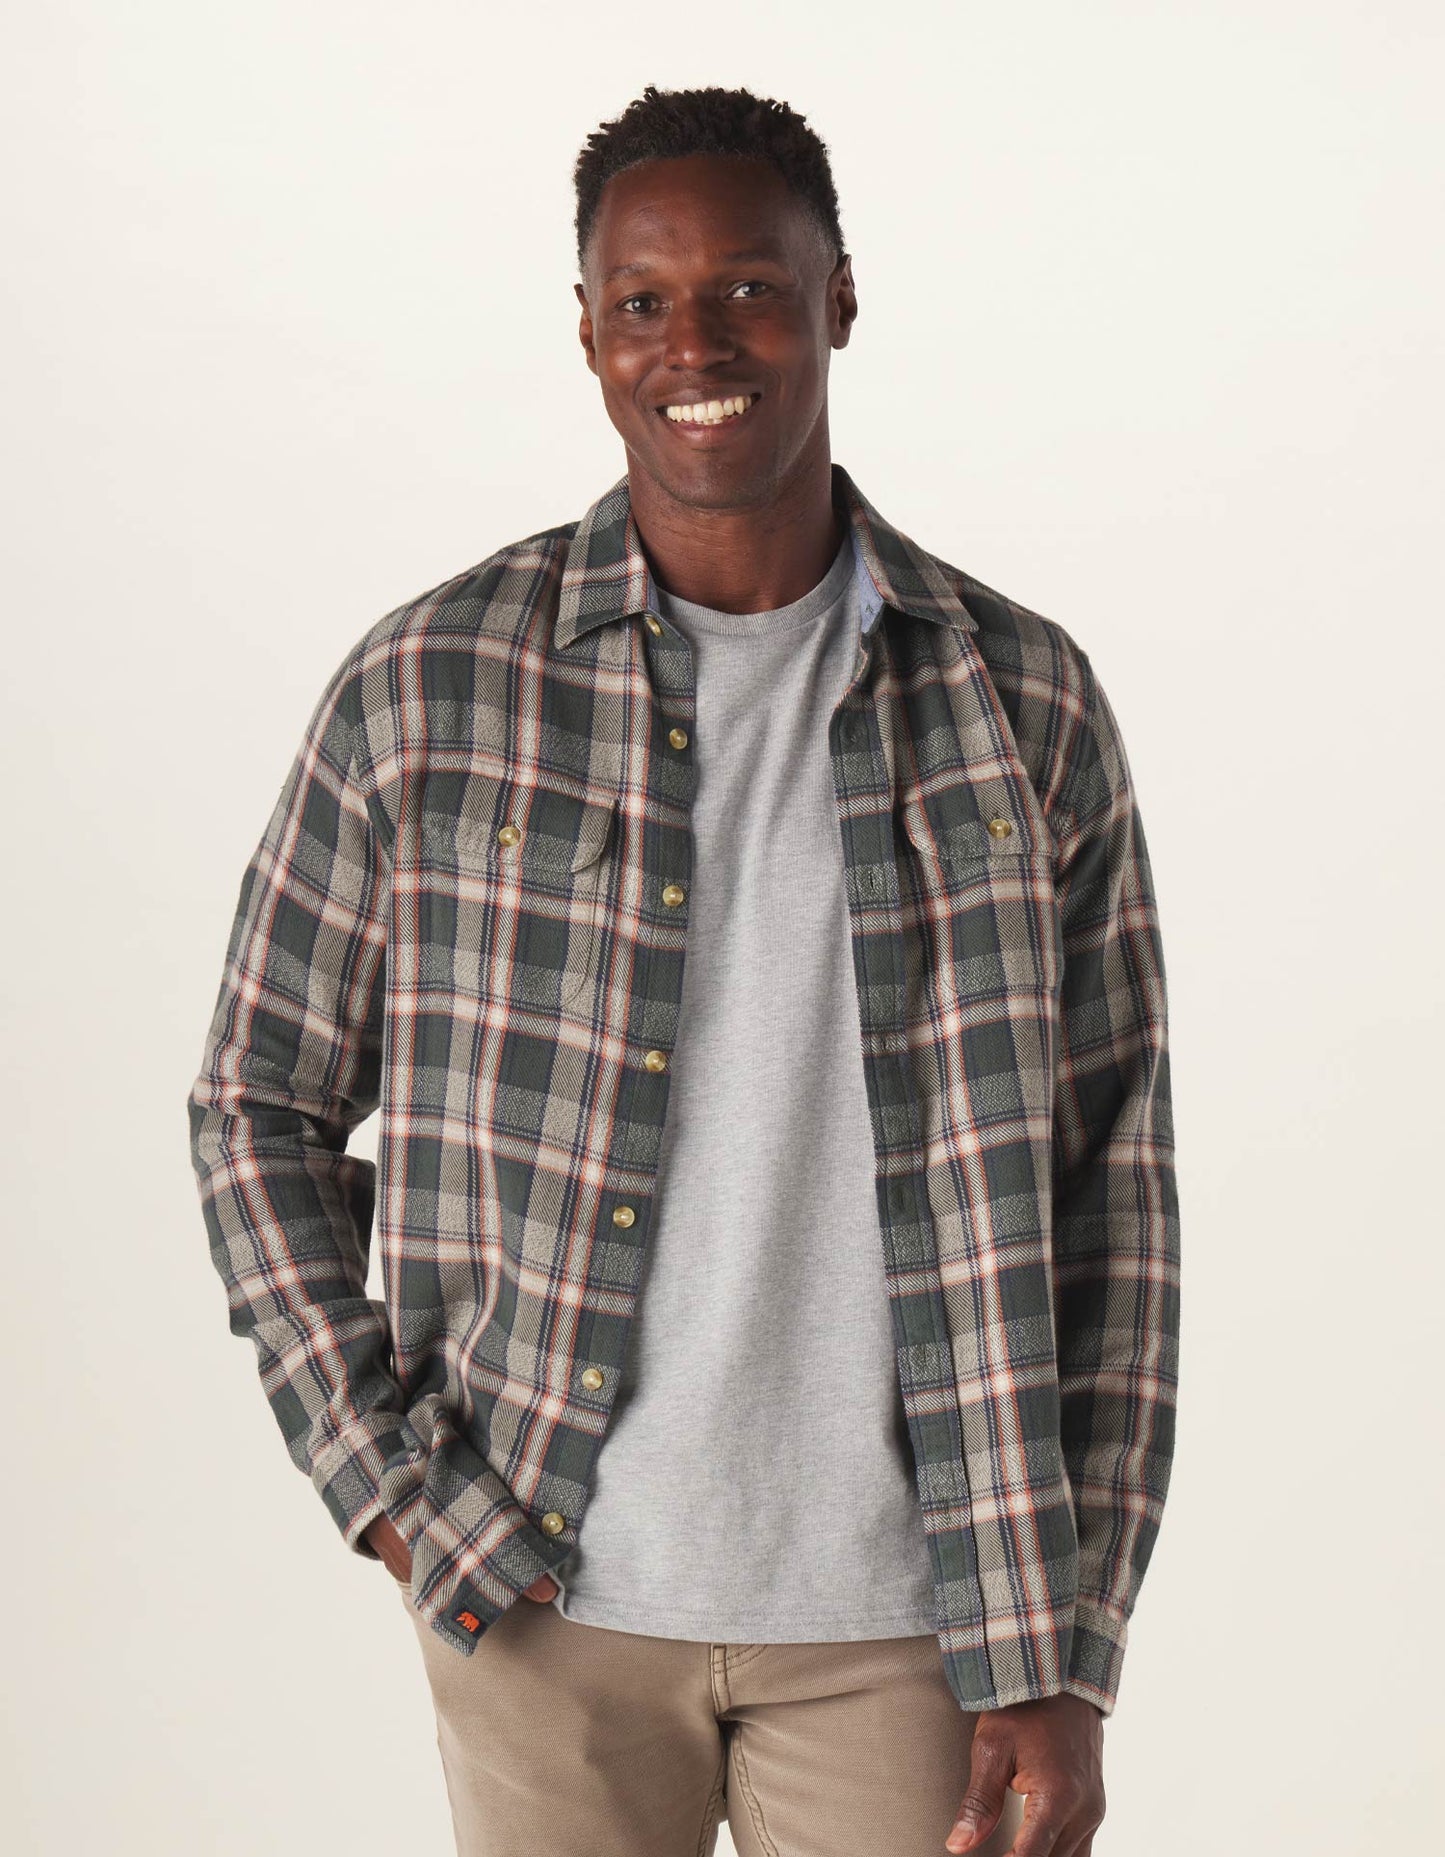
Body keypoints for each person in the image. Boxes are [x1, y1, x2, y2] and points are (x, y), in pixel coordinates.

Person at [186, 82, 1179, 1857]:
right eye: (642, 301)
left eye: (748, 291)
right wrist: (391, 1485)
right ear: (585, 331)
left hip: (915, 1616)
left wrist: (1068, 1642)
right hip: (539, 1592)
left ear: (838, 302)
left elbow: (1115, 1193)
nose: (694, 345)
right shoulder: (430, 687)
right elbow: (257, 1099)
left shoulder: (1021, 699)